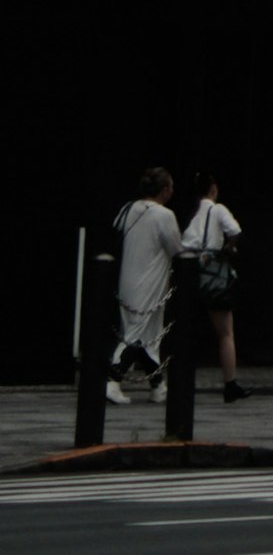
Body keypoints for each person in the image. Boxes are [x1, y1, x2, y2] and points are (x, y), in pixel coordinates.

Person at [107, 167, 178, 403]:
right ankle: (112, 381)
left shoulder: (128, 209)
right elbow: (176, 249)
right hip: (150, 282)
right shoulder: (164, 216)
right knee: (138, 334)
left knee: (146, 335)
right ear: (165, 190)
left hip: (128, 278)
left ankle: (158, 386)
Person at [180, 176, 245, 403]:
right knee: (225, 333)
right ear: (214, 190)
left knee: (187, 331)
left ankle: (182, 379)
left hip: (192, 274)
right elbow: (234, 230)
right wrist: (230, 246)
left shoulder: (193, 214)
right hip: (214, 275)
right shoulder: (217, 210)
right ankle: (230, 383)